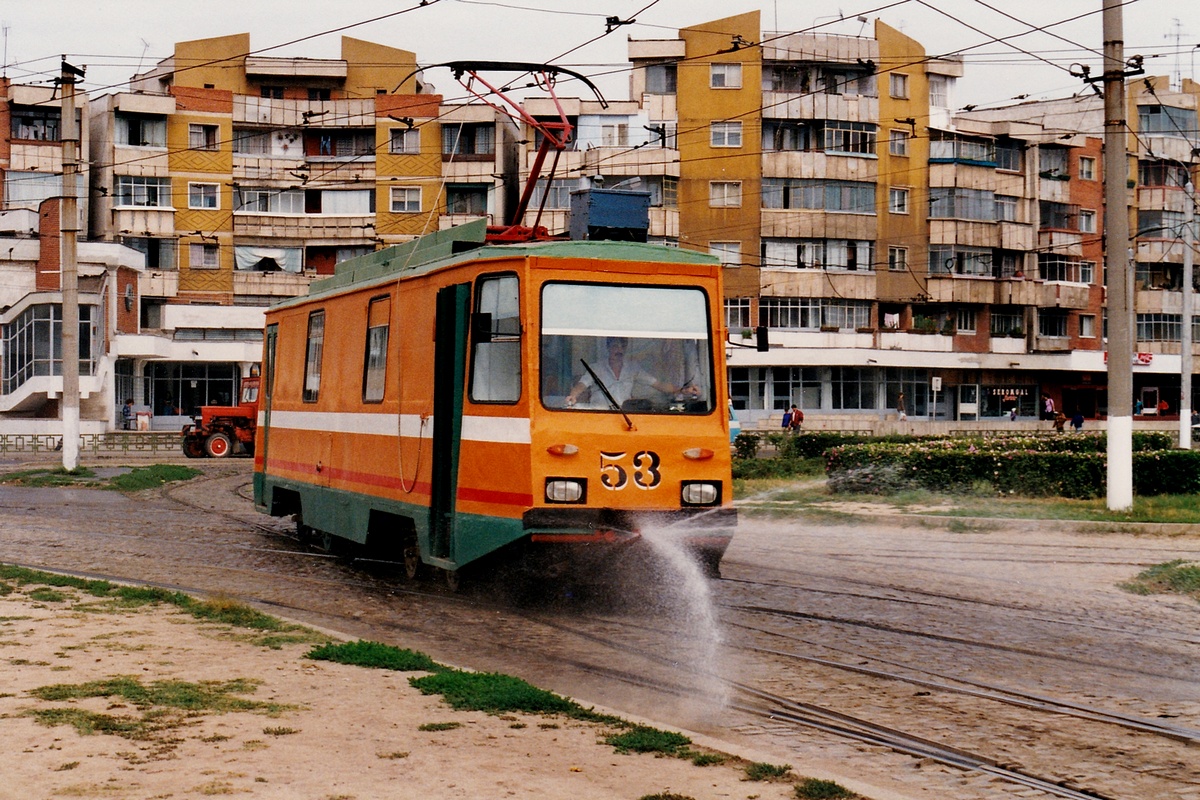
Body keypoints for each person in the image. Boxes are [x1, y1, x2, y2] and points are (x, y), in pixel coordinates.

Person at [563, 337, 697, 409]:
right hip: (599, 415)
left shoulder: (633, 368)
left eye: (622, 346)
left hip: (624, 417)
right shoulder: (596, 368)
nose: (619, 350)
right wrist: (573, 396)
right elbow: (581, 385)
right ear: (608, 347)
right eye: (615, 346)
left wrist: (682, 390)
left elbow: (659, 384)